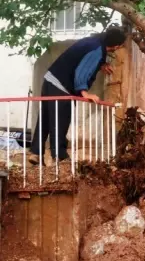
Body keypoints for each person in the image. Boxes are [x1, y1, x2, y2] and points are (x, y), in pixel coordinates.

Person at [28, 27, 127, 165]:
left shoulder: (94, 41)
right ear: (116, 45)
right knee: (60, 121)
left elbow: (80, 58)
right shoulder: (97, 49)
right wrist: (85, 92)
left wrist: (101, 65)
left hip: (50, 80)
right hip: (61, 86)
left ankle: (36, 153)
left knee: (45, 118)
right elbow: (81, 72)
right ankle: (60, 157)